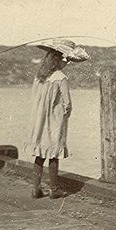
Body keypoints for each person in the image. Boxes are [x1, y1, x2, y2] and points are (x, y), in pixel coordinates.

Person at [23, 39, 89, 199]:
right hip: (55, 121)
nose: (67, 63)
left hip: (39, 121)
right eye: (65, 60)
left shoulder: (40, 76)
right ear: (58, 60)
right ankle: (54, 189)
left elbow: (35, 97)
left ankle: (36, 188)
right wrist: (66, 114)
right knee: (54, 154)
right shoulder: (61, 77)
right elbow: (67, 103)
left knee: (40, 154)